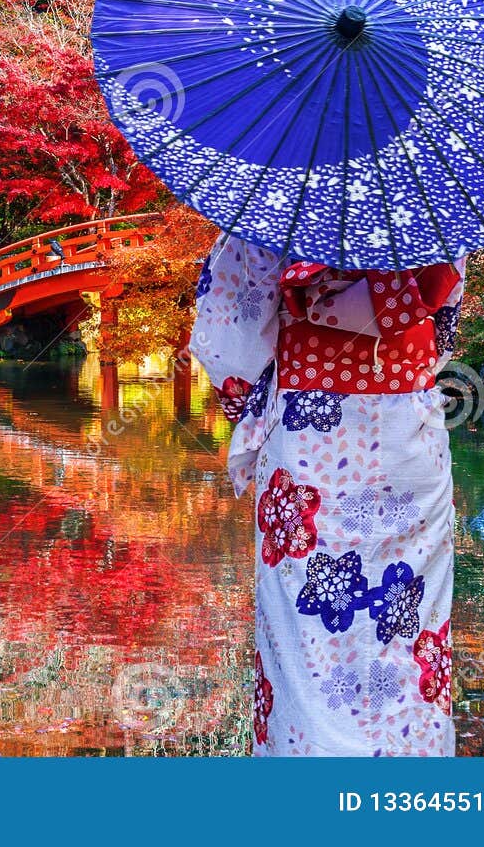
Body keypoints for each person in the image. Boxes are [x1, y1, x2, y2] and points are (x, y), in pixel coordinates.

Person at [190, 235, 465, 756]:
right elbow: (443, 326)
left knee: (304, 634)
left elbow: (228, 336)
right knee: (408, 625)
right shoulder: (429, 205)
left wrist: (251, 400)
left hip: (309, 438)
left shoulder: (276, 204)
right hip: (409, 432)